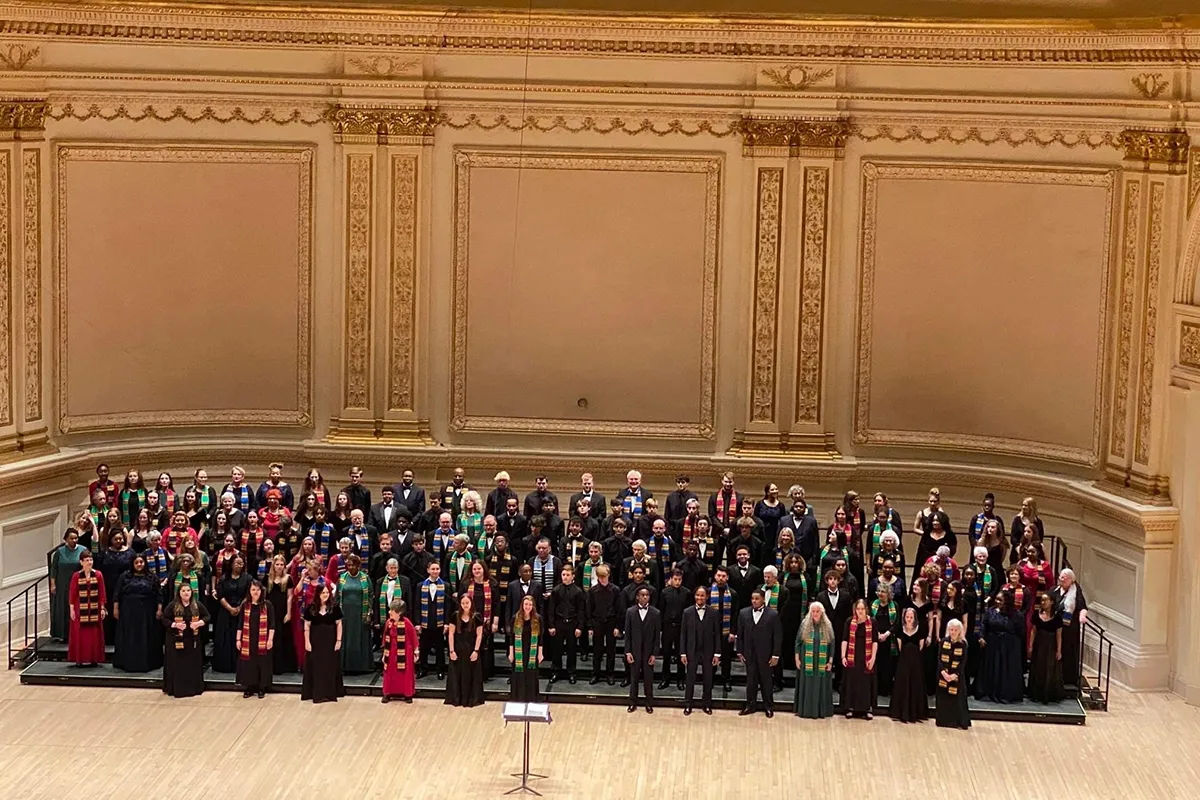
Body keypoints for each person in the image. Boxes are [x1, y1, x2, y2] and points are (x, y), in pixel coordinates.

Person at [113, 554, 162, 673]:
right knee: (130, 635)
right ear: (132, 564)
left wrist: (159, 609)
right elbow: (117, 593)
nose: (139, 564)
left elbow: (159, 594)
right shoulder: (125, 576)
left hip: (147, 611)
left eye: (141, 562)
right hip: (128, 611)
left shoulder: (152, 577)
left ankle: (148, 662)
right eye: (136, 562)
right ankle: (128, 662)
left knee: (146, 635)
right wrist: (116, 608)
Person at [737, 588, 782, 717]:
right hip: (749, 654)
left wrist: (775, 655)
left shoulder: (773, 614)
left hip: (766, 654)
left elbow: (777, 636)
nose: (754, 601)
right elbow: (740, 634)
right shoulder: (743, 613)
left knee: (766, 681)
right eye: (752, 598)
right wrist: (739, 651)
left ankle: (768, 706)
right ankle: (750, 705)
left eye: (757, 598)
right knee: (751, 681)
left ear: (763, 599)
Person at [975, 590, 1025, 704]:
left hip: (1008, 647)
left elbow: (1020, 632)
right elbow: (983, 626)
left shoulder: (1016, 614)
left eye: (1000, 600)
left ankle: (1005, 693)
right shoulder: (990, 612)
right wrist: (981, 637)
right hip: (992, 645)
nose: (997, 601)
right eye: (996, 599)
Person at [162, 583, 208, 697]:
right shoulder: (173, 605)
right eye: (183, 591)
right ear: (179, 593)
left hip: (192, 640)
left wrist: (199, 623)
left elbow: (207, 616)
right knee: (178, 665)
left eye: (188, 590)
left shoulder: (197, 604)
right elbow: (164, 618)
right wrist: (174, 625)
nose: (186, 593)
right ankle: (177, 688)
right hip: (176, 640)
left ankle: (194, 688)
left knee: (192, 664)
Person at [302, 584, 345, 703]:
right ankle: (317, 693)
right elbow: (307, 625)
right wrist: (307, 642)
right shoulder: (311, 607)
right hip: (316, 642)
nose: (325, 595)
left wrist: (338, 640)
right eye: (323, 593)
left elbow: (339, 624)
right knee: (316, 666)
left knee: (330, 666)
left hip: (330, 642)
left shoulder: (334, 607)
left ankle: (330, 693)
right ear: (318, 595)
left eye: (327, 592)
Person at [679, 585, 719, 715]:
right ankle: (688, 704)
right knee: (690, 678)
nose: (699, 597)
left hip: (708, 650)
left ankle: (706, 704)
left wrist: (717, 653)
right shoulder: (687, 612)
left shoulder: (713, 613)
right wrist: (683, 652)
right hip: (692, 651)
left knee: (708, 678)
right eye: (697, 595)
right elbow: (683, 634)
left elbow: (717, 634)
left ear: (707, 597)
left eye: (702, 595)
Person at [793, 601, 835, 719]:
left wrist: (830, 661)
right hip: (807, 661)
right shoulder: (804, 625)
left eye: (817, 612)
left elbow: (832, 644)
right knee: (807, 685)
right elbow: (797, 643)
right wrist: (797, 658)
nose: (815, 614)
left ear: (822, 613)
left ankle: (821, 711)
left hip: (821, 662)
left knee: (820, 685)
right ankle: (805, 710)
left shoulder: (828, 626)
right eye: (813, 611)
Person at [459, 560, 499, 681]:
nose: (477, 571)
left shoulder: (492, 583)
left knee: (486, 648)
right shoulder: (465, 584)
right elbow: (460, 604)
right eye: (474, 569)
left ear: (484, 569)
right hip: (469, 621)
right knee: (471, 646)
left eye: (479, 569)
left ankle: (485, 674)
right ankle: (471, 673)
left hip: (486, 621)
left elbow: (497, 604)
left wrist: (495, 622)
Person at [624, 585, 660, 714]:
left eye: (647, 595)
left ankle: (649, 703)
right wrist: (627, 652)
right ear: (637, 597)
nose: (645, 597)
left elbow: (657, 636)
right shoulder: (630, 612)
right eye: (642, 595)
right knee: (634, 678)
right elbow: (627, 634)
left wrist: (654, 654)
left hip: (649, 652)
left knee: (648, 679)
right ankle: (632, 702)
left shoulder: (656, 613)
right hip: (634, 651)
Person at [1051, 568, 1089, 687]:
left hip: (1069, 629)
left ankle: (1067, 678)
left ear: (1071, 580)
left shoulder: (1076, 592)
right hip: (1055, 627)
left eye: (1064, 578)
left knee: (1068, 651)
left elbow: (1082, 607)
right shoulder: (1054, 590)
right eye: (1060, 577)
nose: (1060, 579)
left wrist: (1082, 616)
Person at [547, 564, 585, 685]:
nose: (565, 577)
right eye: (563, 575)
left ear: (573, 576)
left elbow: (581, 610)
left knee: (571, 649)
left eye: (568, 575)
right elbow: (551, 609)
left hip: (572, 624)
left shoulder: (578, 592)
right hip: (559, 623)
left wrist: (580, 627)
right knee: (557, 649)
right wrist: (551, 625)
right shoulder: (556, 590)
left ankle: (571, 673)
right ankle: (555, 671)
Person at [445, 593, 485, 707]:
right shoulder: (455, 616)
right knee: (457, 673)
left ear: (471, 603)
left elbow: (479, 635)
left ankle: (472, 698)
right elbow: (451, 634)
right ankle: (457, 698)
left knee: (472, 674)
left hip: (471, 649)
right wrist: (451, 651)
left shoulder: (477, 617)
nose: (465, 605)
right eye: (463, 603)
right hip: (458, 649)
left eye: (467, 603)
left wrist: (476, 651)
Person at [889, 606, 928, 722]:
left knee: (916, 683)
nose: (909, 619)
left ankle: (915, 712)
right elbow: (900, 648)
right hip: (904, 662)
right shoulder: (900, 630)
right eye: (907, 617)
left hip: (916, 663)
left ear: (915, 618)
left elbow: (921, 647)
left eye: (911, 617)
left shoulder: (920, 630)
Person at [236, 580, 274, 698]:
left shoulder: (267, 605)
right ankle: (249, 687)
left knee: (262, 663)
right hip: (248, 639)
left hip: (262, 639)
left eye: (257, 590)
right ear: (249, 591)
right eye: (253, 589)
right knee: (249, 664)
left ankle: (262, 688)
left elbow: (272, 624)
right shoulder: (245, 605)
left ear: (261, 591)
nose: (255, 592)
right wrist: (238, 639)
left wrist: (270, 639)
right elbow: (240, 623)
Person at [212, 555, 250, 673]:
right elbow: (220, 595)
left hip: (242, 610)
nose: (239, 565)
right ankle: (225, 665)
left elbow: (248, 595)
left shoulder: (248, 578)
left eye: (241, 563)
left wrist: (239, 607)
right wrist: (230, 609)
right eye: (237, 563)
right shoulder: (224, 578)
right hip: (225, 611)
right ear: (232, 564)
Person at [841, 599, 877, 719]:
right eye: (858, 609)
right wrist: (843, 656)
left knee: (866, 683)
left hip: (866, 656)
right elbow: (845, 639)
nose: (860, 611)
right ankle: (850, 707)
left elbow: (875, 641)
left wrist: (873, 658)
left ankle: (867, 708)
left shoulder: (872, 622)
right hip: (853, 655)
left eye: (862, 609)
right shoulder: (849, 621)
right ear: (855, 609)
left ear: (866, 609)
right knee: (852, 681)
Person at [68, 550, 106, 666]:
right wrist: (72, 609)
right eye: (87, 560)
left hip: (94, 607)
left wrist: (102, 608)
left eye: (91, 559)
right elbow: (72, 593)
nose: (89, 562)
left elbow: (102, 592)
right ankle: (79, 659)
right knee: (80, 634)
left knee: (94, 634)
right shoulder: (76, 576)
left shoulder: (98, 574)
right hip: (81, 608)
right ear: (81, 562)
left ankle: (94, 658)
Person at [337, 554, 373, 675]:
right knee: (346, 639)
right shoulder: (342, 578)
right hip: (345, 614)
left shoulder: (365, 578)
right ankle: (345, 666)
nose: (351, 567)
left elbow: (370, 597)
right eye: (349, 565)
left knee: (359, 639)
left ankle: (361, 666)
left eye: (353, 565)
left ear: (358, 566)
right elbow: (337, 597)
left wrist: (369, 613)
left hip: (360, 614)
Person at [1027, 592, 1065, 703]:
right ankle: (1036, 693)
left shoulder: (1057, 617)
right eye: (1042, 600)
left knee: (1049, 669)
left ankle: (1048, 694)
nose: (1043, 602)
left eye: (1045, 600)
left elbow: (1059, 635)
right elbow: (1033, 631)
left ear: (1052, 602)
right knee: (1037, 668)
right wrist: (1030, 646)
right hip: (1039, 644)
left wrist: (1059, 650)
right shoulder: (1036, 614)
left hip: (1051, 646)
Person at [585, 564, 620, 685]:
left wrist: (617, 626)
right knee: (597, 650)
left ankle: (610, 674)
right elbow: (589, 609)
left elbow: (618, 609)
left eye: (604, 576)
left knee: (611, 650)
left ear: (609, 575)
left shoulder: (615, 590)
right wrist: (590, 626)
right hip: (597, 622)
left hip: (611, 622)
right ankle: (596, 674)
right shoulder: (592, 591)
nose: (602, 579)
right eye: (600, 577)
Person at [816, 570, 851, 689]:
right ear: (826, 581)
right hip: (825, 631)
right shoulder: (820, 596)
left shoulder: (845, 595)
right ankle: (825, 684)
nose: (833, 581)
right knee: (825, 656)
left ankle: (839, 684)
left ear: (838, 581)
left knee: (839, 657)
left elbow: (848, 615)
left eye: (835, 579)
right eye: (830, 579)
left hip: (841, 630)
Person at [936, 619, 971, 729]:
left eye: (955, 630)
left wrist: (954, 675)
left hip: (957, 677)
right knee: (944, 698)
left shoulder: (963, 644)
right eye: (951, 629)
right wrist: (944, 673)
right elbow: (939, 659)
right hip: (943, 676)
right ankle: (943, 721)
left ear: (959, 631)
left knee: (957, 699)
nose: (953, 632)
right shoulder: (943, 642)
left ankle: (957, 722)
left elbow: (963, 662)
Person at [381, 599, 418, 703]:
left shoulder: (407, 623)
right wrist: (384, 654)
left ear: (399, 612)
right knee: (389, 672)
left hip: (405, 652)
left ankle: (407, 694)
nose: (389, 612)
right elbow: (385, 637)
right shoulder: (388, 623)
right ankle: (387, 693)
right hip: (391, 651)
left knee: (405, 672)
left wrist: (416, 651)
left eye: (391, 610)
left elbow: (413, 637)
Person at [50, 529, 84, 642]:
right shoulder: (59, 552)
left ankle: (77, 633)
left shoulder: (82, 550)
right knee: (63, 608)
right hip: (62, 584)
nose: (74, 540)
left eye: (76, 538)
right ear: (66, 539)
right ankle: (62, 634)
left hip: (78, 584)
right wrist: (53, 584)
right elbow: (54, 569)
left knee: (76, 608)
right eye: (71, 538)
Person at [264, 554, 295, 675]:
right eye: (277, 564)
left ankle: (282, 666)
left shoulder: (288, 578)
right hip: (270, 611)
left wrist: (288, 613)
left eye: (282, 564)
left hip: (282, 611)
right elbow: (264, 596)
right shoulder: (267, 579)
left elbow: (289, 597)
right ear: (273, 565)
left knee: (282, 637)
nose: (279, 567)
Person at [417, 561, 449, 679]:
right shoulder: (420, 585)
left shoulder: (446, 586)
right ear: (428, 570)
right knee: (424, 647)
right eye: (433, 569)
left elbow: (448, 606)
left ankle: (440, 669)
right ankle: (422, 668)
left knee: (440, 648)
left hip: (439, 622)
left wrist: (446, 623)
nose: (435, 571)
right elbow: (417, 605)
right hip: (425, 622)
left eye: (437, 569)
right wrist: (417, 623)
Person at [509, 594, 544, 702]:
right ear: (522, 605)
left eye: (530, 604)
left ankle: (531, 698)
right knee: (518, 675)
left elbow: (541, 637)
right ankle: (518, 698)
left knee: (531, 675)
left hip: (532, 652)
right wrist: (511, 653)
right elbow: (511, 636)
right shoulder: (515, 618)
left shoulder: (538, 619)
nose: (527, 607)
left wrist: (540, 653)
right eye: (526, 604)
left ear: (533, 606)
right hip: (519, 650)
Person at [709, 567, 738, 693]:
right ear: (715, 576)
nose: (721, 578)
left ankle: (726, 679)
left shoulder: (733, 593)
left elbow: (735, 614)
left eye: (723, 576)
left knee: (726, 658)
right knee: (710, 656)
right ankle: (710, 679)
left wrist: (733, 632)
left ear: (727, 578)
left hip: (726, 630)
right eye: (719, 575)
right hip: (711, 631)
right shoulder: (708, 592)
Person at [871, 582, 898, 697]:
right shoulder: (873, 604)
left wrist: (886, 634)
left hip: (889, 639)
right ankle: (875, 689)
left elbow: (897, 623)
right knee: (876, 664)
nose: (880, 594)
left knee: (887, 666)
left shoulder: (894, 605)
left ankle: (885, 690)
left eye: (883, 591)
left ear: (889, 593)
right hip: (875, 639)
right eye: (879, 591)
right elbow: (870, 621)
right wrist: (877, 634)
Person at [1010, 496, 1044, 563]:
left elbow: (1040, 538)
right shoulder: (1017, 520)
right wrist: (1018, 548)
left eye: (1026, 505)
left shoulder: (1038, 522)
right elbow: (1013, 537)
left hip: (1033, 553)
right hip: (1018, 551)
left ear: (1031, 507)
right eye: (1022, 505)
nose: (1023, 507)